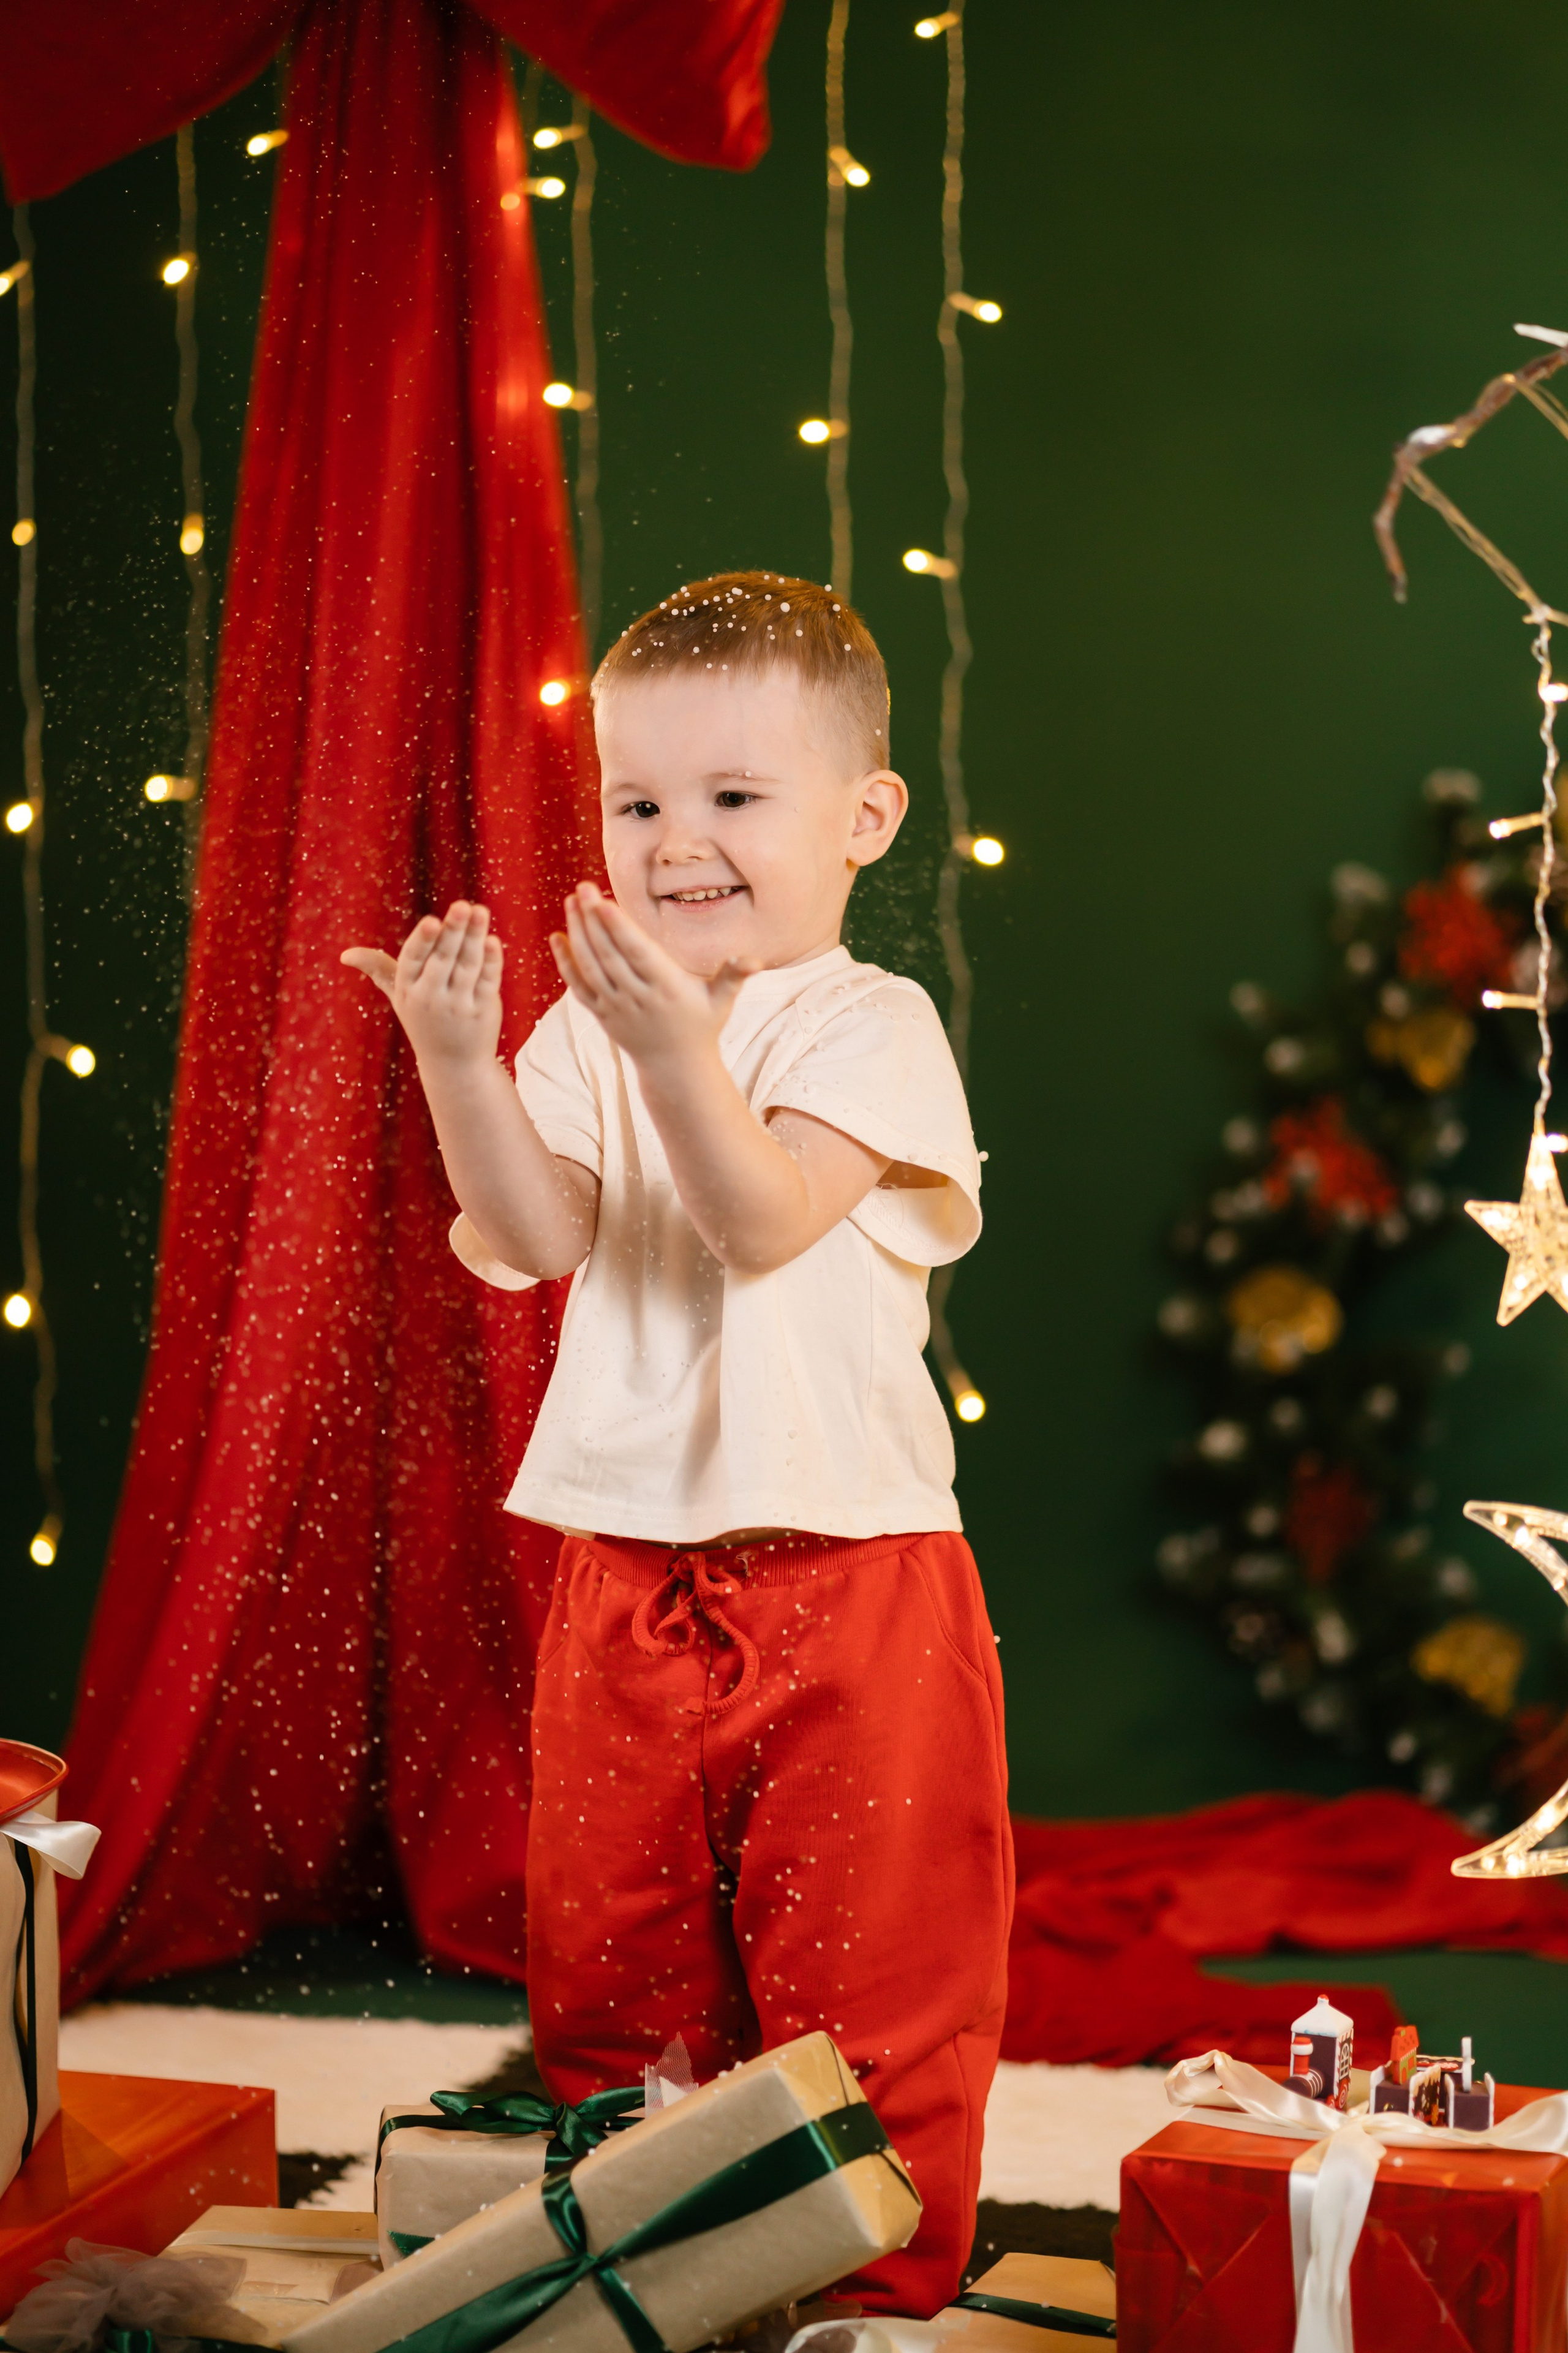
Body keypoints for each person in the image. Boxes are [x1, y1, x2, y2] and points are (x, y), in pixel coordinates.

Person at [342, 572, 1012, 2315]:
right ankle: (642, 2269)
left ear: (862, 819)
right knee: (615, 1939)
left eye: (733, 798)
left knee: (870, 1949)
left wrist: (674, 1047)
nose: (677, 839)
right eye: (639, 803)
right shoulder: (597, 1019)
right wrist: (453, 1060)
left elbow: (765, 1212)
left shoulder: (871, 1024)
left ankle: (872, 2294)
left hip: (851, 1565)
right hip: (627, 1561)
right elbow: (540, 1227)